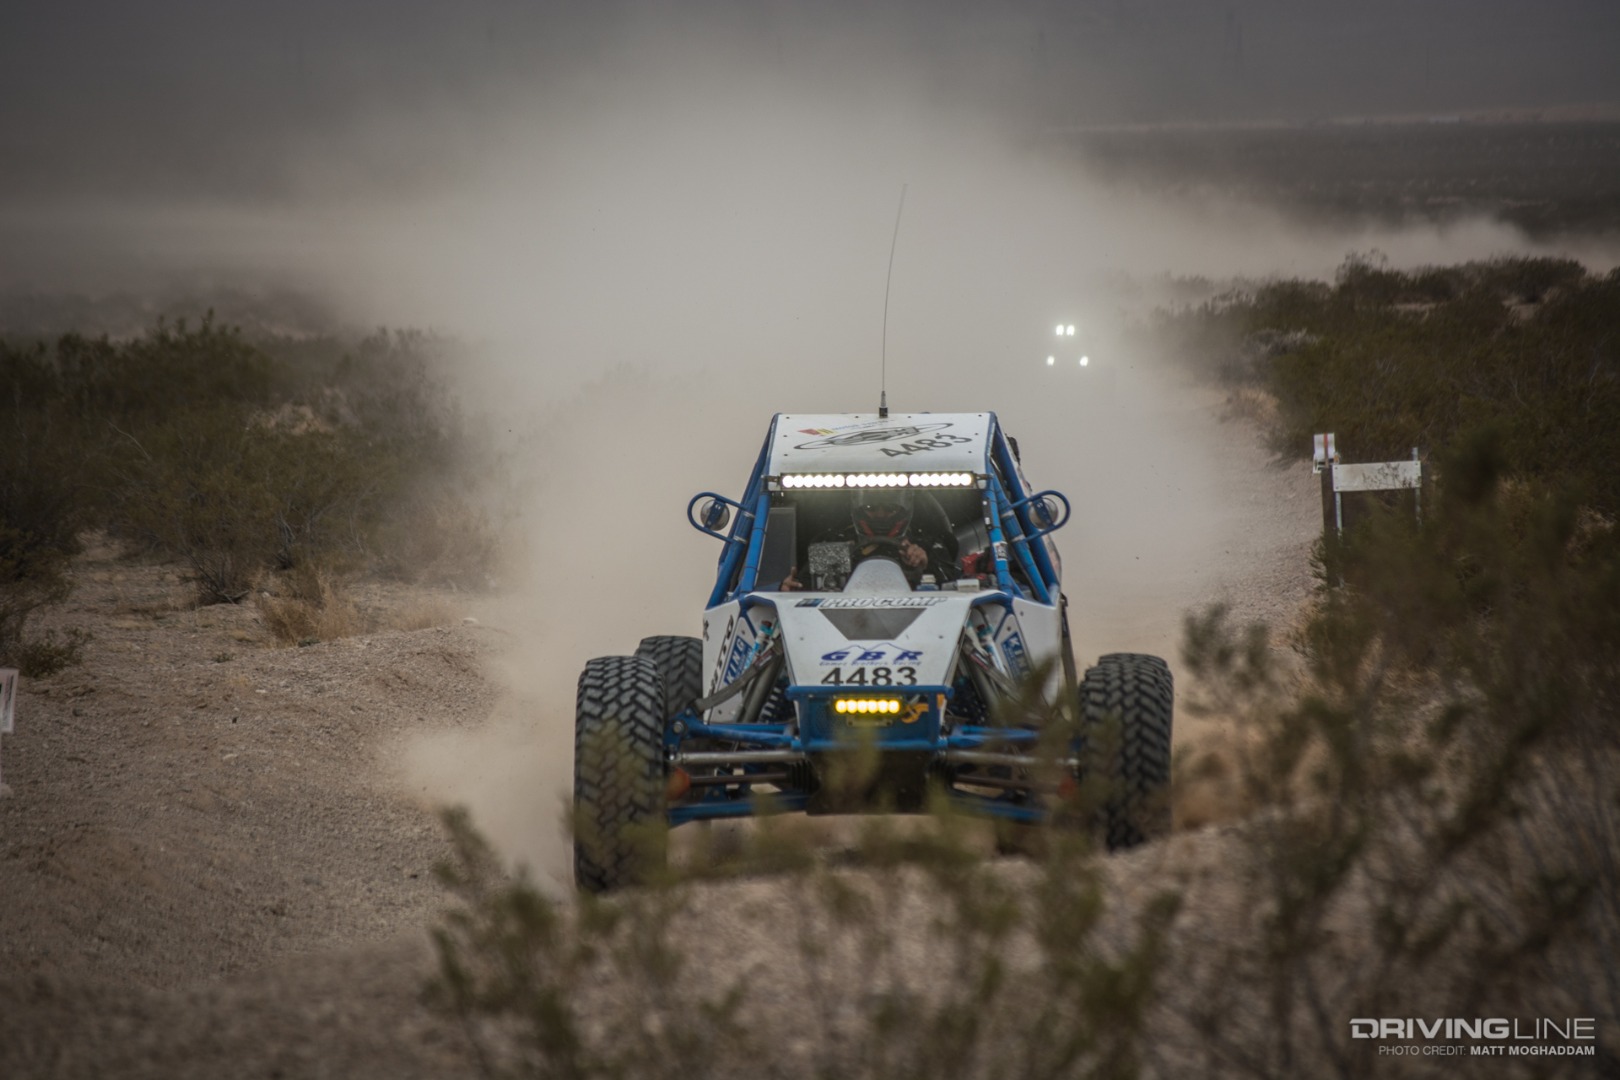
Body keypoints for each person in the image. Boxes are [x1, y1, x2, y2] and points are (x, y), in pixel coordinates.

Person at [781, 488, 958, 590]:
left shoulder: (927, 544)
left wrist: (926, 566)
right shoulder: (833, 544)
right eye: (870, 507)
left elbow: (958, 587)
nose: (880, 515)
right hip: (845, 624)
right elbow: (802, 592)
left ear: (905, 508)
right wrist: (787, 588)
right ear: (857, 508)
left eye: (890, 508)